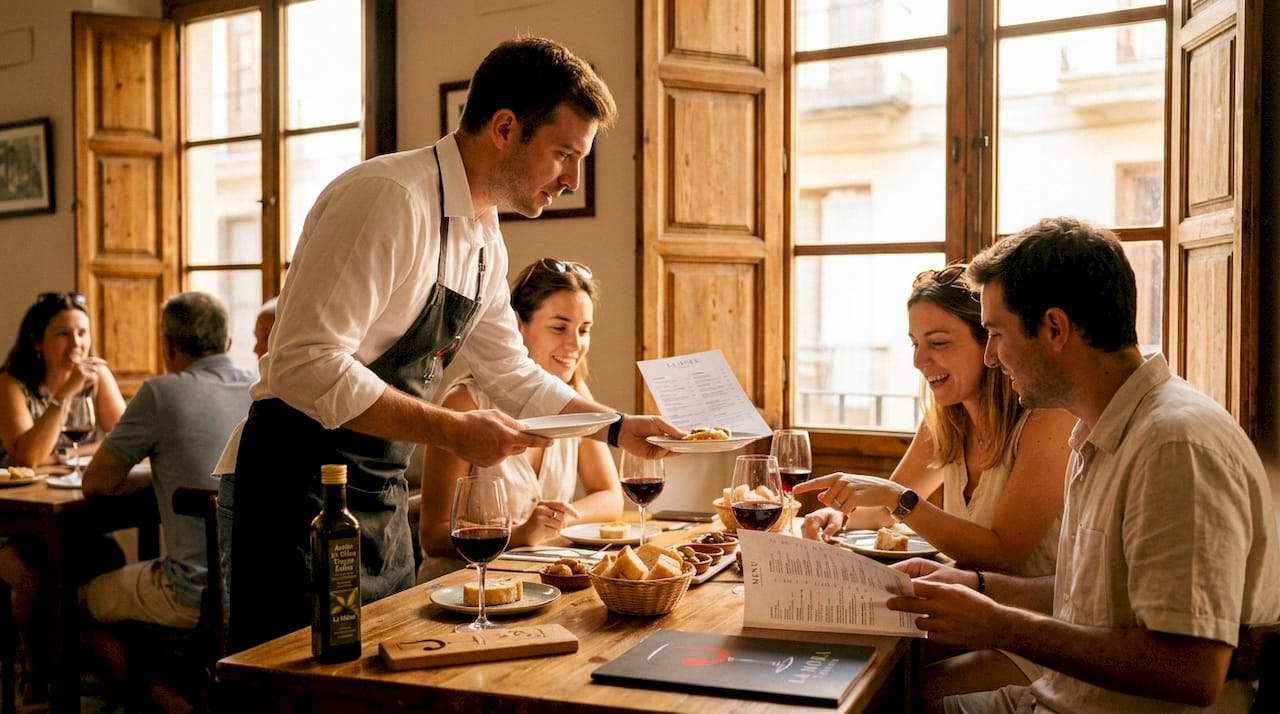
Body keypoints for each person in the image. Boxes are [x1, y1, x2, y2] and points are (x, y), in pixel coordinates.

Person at [225, 36, 678, 653]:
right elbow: (305, 363)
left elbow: (511, 376)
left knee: (375, 684)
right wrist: (448, 429)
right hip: (296, 487)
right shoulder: (387, 198)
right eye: (564, 155)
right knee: (290, 683)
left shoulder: (485, 237)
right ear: (504, 127)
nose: (573, 179)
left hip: (377, 491)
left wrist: (617, 426)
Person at [886, 217, 1280, 712]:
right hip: (1052, 699)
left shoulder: (1174, 445)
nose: (990, 358)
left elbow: (1193, 671)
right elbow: (1090, 598)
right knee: (885, 697)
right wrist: (979, 585)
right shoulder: (1097, 433)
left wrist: (999, 624)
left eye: (996, 333)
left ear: (1055, 328)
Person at [794, 265, 1075, 702]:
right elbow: (883, 508)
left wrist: (895, 499)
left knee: (884, 694)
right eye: (914, 344)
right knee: (832, 667)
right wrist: (839, 516)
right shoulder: (947, 420)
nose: (919, 361)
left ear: (989, 344)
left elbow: (1003, 552)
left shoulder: (1047, 419)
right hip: (965, 618)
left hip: (1036, 635)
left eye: (938, 344)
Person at [78, 291, 254, 710]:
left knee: (76, 602)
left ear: (167, 346)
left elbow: (96, 482)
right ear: (228, 344)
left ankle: (173, 706)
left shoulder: (161, 392)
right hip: (255, 588)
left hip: (196, 592)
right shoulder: (259, 388)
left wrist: (154, 477)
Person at [418, 258, 624, 582]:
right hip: (462, 590)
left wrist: (559, 519)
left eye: (584, 330)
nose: (575, 345)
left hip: (535, 587)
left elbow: (611, 496)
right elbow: (432, 535)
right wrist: (517, 534)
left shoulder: (574, 399)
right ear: (517, 326)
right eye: (559, 327)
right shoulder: (464, 403)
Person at [0, 291, 127, 702]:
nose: (77, 344)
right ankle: (34, 670)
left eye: (83, 333)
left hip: (65, 513)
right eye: (63, 334)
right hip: (11, 518)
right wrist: (67, 393)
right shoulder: (11, 384)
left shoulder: (98, 374)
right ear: (37, 341)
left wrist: (74, 453)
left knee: (106, 558)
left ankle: (81, 665)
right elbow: (30, 455)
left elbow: (125, 441)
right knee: (31, 576)